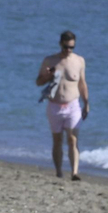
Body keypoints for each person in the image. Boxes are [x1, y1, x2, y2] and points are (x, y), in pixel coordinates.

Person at [36, 29, 88, 180]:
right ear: (60, 44)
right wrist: (47, 76)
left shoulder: (79, 61)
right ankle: (59, 171)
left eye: (71, 47)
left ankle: (74, 172)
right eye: (65, 47)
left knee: (73, 139)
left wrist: (86, 103)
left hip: (72, 105)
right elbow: (38, 82)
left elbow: (82, 84)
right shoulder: (50, 60)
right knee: (57, 140)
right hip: (54, 105)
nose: (68, 50)